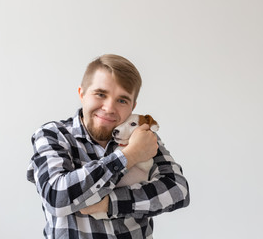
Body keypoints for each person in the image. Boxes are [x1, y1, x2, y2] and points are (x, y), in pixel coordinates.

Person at [27, 54, 190, 239]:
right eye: (100, 94)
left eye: (122, 100)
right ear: (82, 94)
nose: (109, 107)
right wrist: (130, 155)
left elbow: (178, 190)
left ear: (133, 106)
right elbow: (57, 197)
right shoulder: (53, 134)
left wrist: (109, 203)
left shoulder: (142, 136)